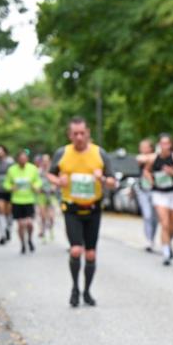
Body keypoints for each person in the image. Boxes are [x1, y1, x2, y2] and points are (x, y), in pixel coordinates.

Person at [48, 117, 117, 307]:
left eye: (82, 133)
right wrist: (57, 181)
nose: (79, 137)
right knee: (76, 249)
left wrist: (101, 178)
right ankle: (74, 288)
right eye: (75, 134)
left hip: (93, 208)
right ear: (70, 135)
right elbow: (50, 173)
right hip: (71, 207)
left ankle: (87, 291)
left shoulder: (99, 153)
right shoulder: (62, 153)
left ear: (88, 133)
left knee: (91, 254)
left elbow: (113, 182)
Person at [144, 134, 173, 266]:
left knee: (172, 226)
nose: (164, 146)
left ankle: (168, 243)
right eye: (162, 143)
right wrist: (151, 181)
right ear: (159, 144)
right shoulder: (153, 158)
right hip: (159, 194)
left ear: (171, 145)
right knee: (164, 223)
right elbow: (146, 171)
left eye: (167, 143)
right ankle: (166, 253)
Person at [4, 149, 42, 254]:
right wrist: (11, 188)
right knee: (20, 224)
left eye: (25, 158)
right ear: (17, 159)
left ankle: (29, 239)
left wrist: (36, 186)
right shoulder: (11, 170)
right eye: (21, 159)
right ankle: (23, 244)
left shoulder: (33, 168)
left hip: (29, 200)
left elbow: (38, 181)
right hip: (17, 200)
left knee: (29, 223)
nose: (23, 160)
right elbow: (6, 184)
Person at [134, 138, 159, 252]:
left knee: (155, 217)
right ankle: (148, 240)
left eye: (145, 147)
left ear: (151, 148)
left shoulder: (156, 157)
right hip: (143, 189)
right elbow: (140, 159)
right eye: (141, 147)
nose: (143, 149)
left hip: (156, 190)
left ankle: (152, 238)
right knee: (147, 215)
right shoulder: (141, 158)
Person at [0, 144, 14, 245]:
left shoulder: (10, 162)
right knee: (0, 210)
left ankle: (8, 228)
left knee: (8, 212)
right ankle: (2, 235)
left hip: (9, 190)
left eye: (0, 151)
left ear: (4, 152)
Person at [36, 153, 56, 243]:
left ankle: (51, 228)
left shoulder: (53, 170)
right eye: (43, 161)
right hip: (41, 196)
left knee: (51, 216)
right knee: (43, 216)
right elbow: (34, 181)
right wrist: (37, 188)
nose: (45, 163)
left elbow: (57, 181)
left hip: (51, 195)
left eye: (47, 161)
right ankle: (43, 232)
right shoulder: (38, 171)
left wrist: (54, 187)